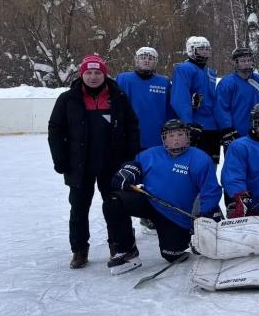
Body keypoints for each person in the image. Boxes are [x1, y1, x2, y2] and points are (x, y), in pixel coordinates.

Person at [48, 53, 140, 269]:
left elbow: (132, 127)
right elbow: (55, 130)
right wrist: (60, 160)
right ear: (82, 74)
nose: (93, 77)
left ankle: (119, 245)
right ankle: (79, 249)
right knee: (79, 208)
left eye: (97, 72)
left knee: (116, 205)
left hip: (112, 164)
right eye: (88, 72)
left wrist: (130, 159)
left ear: (104, 74)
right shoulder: (67, 99)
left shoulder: (118, 97)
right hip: (79, 165)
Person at [106, 119, 223, 274]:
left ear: (188, 136)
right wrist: (128, 171)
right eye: (171, 135)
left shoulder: (200, 159)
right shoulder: (149, 154)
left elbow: (211, 191)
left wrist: (205, 214)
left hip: (176, 216)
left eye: (180, 134)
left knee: (173, 255)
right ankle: (127, 251)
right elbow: (134, 166)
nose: (176, 139)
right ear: (164, 139)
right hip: (150, 202)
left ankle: (181, 239)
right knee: (114, 201)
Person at [171, 36, 222, 162]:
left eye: (206, 49)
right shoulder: (184, 69)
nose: (204, 52)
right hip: (196, 125)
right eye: (201, 49)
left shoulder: (210, 72)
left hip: (213, 127)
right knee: (196, 164)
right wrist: (188, 122)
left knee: (211, 163)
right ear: (191, 50)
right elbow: (180, 97)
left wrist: (221, 125)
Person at [116, 46, 173, 150]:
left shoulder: (164, 82)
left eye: (150, 58)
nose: (147, 61)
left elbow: (170, 109)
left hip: (155, 136)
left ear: (155, 62)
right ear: (137, 60)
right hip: (128, 135)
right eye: (143, 58)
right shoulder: (123, 79)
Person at [216, 47, 259, 152]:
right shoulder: (227, 83)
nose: (247, 63)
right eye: (243, 61)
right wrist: (228, 129)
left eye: (249, 60)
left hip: (257, 133)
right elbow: (221, 108)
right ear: (236, 63)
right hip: (235, 134)